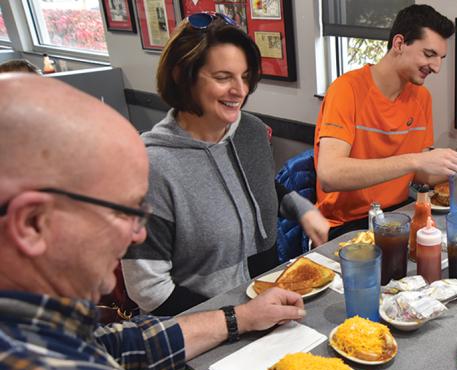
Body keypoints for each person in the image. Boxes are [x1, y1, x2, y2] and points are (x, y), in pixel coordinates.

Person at [0, 73, 397, 370]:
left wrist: (239, 316)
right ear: (33, 224)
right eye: (122, 211)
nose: (139, 232)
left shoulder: (37, 333)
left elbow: (117, 348)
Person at [121, 13, 330, 315]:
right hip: (199, 327)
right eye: (223, 77)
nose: (240, 90)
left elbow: (256, 186)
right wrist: (238, 320)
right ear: (182, 75)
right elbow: (149, 292)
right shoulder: (150, 167)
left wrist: (302, 209)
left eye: (244, 77)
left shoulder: (252, 131)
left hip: (266, 307)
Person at [314, 4, 457, 238]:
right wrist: (415, 160)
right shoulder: (346, 90)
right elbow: (329, 175)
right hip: (347, 226)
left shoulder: (421, 97)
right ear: (398, 44)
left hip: (400, 214)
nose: (436, 67)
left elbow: (419, 173)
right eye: (429, 54)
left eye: (441, 58)